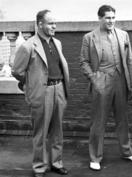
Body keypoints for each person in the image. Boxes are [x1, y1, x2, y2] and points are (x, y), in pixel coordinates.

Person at [79, 4, 132, 171]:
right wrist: (94, 78)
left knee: (123, 119)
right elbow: (83, 61)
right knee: (98, 121)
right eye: (107, 17)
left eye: (113, 17)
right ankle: (95, 157)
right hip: (101, 81)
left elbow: (129, 60)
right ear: (100, 18)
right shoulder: (89, 37)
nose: (111, 21)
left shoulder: (123, 35)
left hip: (121, 80)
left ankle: (127, 152)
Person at [12, 10, 69, 177]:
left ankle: (56, 163)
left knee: (57, 131)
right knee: (41, 132)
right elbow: (17, 71)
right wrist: (30, 84)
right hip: (41, 93)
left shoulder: (57, 43)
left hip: (59, 89)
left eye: (55, 23)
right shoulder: (28, 46)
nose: (54, 26)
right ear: (40, 24)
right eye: (51, 23)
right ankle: (39, 167)